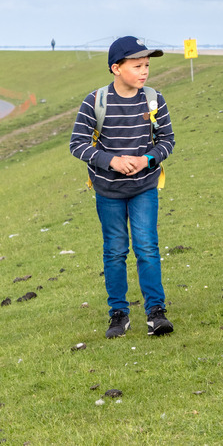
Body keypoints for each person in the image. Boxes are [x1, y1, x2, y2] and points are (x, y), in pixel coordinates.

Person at [68, 36, 176, 339]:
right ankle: (118, 314)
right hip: (108, 192)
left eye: (147, 66)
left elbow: (167, 140)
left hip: (145, 188)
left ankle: (156, 312)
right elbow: (77, 145)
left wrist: (147, 160)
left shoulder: (154, 99)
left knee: (147, 248)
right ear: (116, 68)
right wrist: (111, 161)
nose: (144, 72)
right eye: (137, 65)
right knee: (115, 252)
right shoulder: (95, 102)